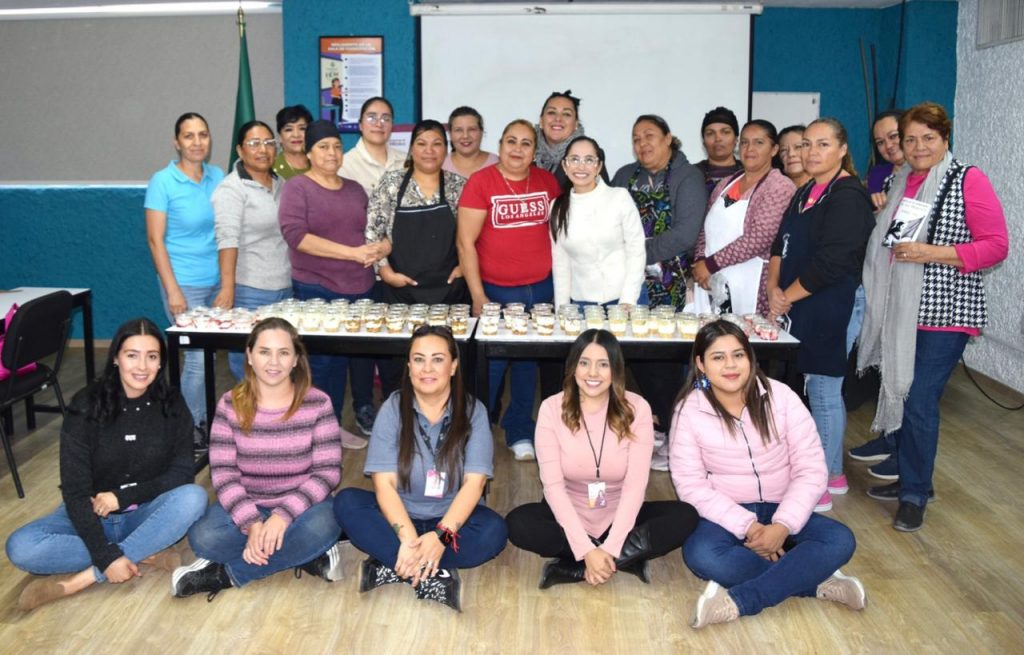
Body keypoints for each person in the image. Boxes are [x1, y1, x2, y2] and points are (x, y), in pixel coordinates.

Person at [857, 102, 1008, 531]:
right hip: (902, 311)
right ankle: (911, 474)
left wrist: (933, 253)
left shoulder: (966, 179)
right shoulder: (902, 180)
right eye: (911, 139)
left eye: (929, 138)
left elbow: (996, 246)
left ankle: (915, 494)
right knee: (905, 394)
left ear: (946, 139)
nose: (919, 147)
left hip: (945, 312)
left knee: (920, 399)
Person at [670, 320, 865, 628]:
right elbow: (691, 486)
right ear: (701, 365)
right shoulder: (689, 410)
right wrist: (748, 526)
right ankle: (815, 583)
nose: (730, 365)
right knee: (702, 554)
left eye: (738, 355)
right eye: (718, 357)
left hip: (784, 506)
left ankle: (741, 601)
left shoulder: (782, 397)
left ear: (751, 357)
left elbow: (811, 469)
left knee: (840, 539)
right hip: (728, 513)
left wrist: (782, 526)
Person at [5, 318, 207, 611]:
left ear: (161, 362)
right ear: (115, 358)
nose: (142, 367)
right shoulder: (86, 405)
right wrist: (106, 555)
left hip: (145, 511)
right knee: (21, 547)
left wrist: (123, 497)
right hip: (90, 514)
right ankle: (145, 550)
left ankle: (80, 580)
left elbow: (182, 473)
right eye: (131, 355)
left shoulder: (171, 404)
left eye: (152, 357)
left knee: (194, 497)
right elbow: (74, 492)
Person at [333, 326, 507, 612]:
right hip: (399, 518)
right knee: (346, 503)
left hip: (454, 521)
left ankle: (396, 565)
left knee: (494, 532)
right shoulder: (392, 407)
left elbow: (474, 485)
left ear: (453, 366)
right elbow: (384, 485)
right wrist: (408, 539)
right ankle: (428, 569)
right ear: (409, 366)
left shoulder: (474, 411)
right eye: (419, 359)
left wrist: (442, 537)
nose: (427, 369)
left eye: (438, 359)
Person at [506, 330, 698, 588]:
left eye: (603, 364)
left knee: (685, 516)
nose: (592, 373)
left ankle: (587, 565)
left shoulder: (637, 408)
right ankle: (619, 558)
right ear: (573, 367)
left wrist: (611, 547)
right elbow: (553, 487)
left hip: (620, 514)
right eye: (584, 363)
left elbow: (635, 487)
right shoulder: (552, 408)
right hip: (570, 514)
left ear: (616, 370)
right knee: (518, 524)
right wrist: (586, 548)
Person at [172, 318, 344, 599]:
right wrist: (252, 524)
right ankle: (306, 554)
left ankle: (227, 574)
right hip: (248, 504)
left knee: (328, 522)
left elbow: (327, 473)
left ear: (296, 359)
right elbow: (224, 475)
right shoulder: (230, 404)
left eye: (283, 353)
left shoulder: (318, 403)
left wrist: (282, 517)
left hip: (303, 509)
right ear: (249, 356)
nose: (273, 362)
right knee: (204, 537)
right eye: (264, 351)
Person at [766, 118, 875, 512]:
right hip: (800, 301)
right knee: (812, 384)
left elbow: (832, 263)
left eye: (822, 144)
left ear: (844, 149)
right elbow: (781, 244)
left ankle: (823, 483)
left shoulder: (847, 196)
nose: (811, 152)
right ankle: (829, 472)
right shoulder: (806, 191)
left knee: (825, 389)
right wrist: (772, 289)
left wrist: (785, 297)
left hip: (833, 302)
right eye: (806, 144)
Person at [457, 119, 561, 461]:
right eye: (511, 141)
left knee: (527, 365)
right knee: (491, 368)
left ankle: (519, 428)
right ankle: (478, 434)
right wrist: (477, 295)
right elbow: (465, 242)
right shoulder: (481, 182)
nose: (517, 149)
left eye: (526, 143)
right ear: (500, 145)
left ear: (535, 150)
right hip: (495, 293)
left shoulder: (547, 183)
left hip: (540, 292)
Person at [278, 119, 386, 446]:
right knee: (324, 367)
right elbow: (296, 237)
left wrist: (382, 246)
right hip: (319, 288)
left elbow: (374, 230)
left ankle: (335, 427)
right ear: (309, 152)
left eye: (337, 146)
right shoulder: (298, 188)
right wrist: (352, 254)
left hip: (362, 288)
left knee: (355, 364)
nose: (332, 153)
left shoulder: (354, 188)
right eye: (323, 147)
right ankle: (321, 433)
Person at [611, 114, 706, 466]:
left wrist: (635, 253)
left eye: (650, 136)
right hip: (630, 285)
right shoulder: (624, 176)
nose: (643, 144)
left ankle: (681, 435)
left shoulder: (688, 177)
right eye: (636, 138)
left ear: (669, 138)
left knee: (667, 363)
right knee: (637, 358)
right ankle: (662, 428)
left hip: (671, 285)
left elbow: (684, 234)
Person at [144, 112, 225, 435]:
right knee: (195, 358)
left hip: (217, 281)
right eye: (189, 136)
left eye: (203, 135)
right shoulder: (162, 181)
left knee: (208, 357)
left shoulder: (218, 176)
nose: (197, 142)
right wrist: (173, 290)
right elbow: (155, 240)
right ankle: (188, 430)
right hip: (183, 283)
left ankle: (202, 420)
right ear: (176, 142)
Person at [212, 120, 292, 380]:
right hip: (250, 291)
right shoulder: (231, 189)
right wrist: (228, 288)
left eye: (269, 143)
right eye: (254, 143)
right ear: (240, 150)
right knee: (249, 367)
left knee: (281, 362)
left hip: (286, 288)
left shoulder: (281, 184)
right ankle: (249, 420)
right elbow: (227, 240)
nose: (263, 149)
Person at [692, 120, 796, 316]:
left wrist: (710, 264)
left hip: (749, 284)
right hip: (711, 281)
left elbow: (759, 238)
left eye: (759, 143)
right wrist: (699, 261)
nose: (750, 149)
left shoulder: (779, 186)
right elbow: (706, 229)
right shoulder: (725, 183)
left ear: (774, 149)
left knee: (743, 342)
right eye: (745, 142)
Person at [366, 119, 468, 306]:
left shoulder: (460, 186)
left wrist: (464, 267)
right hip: (400, 292)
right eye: (421, 144)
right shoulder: (391, 183)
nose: (429, 151)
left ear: (446, 149)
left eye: (437, 144)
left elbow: (474, 235)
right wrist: (385, 272)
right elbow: (373, 232)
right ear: (411, 149)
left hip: (451, 291)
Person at [550, 136, 646, 308]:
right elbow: (561, 263)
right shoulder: (556, 208)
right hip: (582, 304)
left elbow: (636, 250)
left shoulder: (619, 197)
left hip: (626, 299)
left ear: (599, 166)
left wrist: (628, 300)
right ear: (565, 165)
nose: (581, 166)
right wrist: (562, 311)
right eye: (574, 159)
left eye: (589, 160)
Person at [339, 96, 407, 196]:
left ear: (392, 125)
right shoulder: (345, 165)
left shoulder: (407, 162)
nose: (379, 124)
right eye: (371, 117)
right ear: (360, 125)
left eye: (385, 119)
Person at [533, 90, 584, 186]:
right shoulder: (527, 155)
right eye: (552, 112)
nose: (558, 119)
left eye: (566, 114)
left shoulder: (589, 156)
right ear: (541, 121)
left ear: (576, 124)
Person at [695, 106, 742, 195]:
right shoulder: (691, 173)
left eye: (725, 132)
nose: (718, 138)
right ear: (703, 141)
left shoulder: (748, 172)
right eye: (710, 133)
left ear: (736, 139)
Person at [443, 106, 498, 178]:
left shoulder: (497, 163)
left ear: (481, 132)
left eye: (472, 129)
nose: (465, 136)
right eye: (458, 130)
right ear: (450, 134)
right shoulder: (440, 165)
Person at [865, 109, 905, 196]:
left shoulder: (931, 171)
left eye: (893, 136)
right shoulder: (876, 175)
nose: (888, 146)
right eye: (880, 142)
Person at [273, 105, 313, 180]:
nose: (296, 135)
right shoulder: (273, 169)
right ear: (280, 137)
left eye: (302, 128)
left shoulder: (319, 164)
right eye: (289, 129)